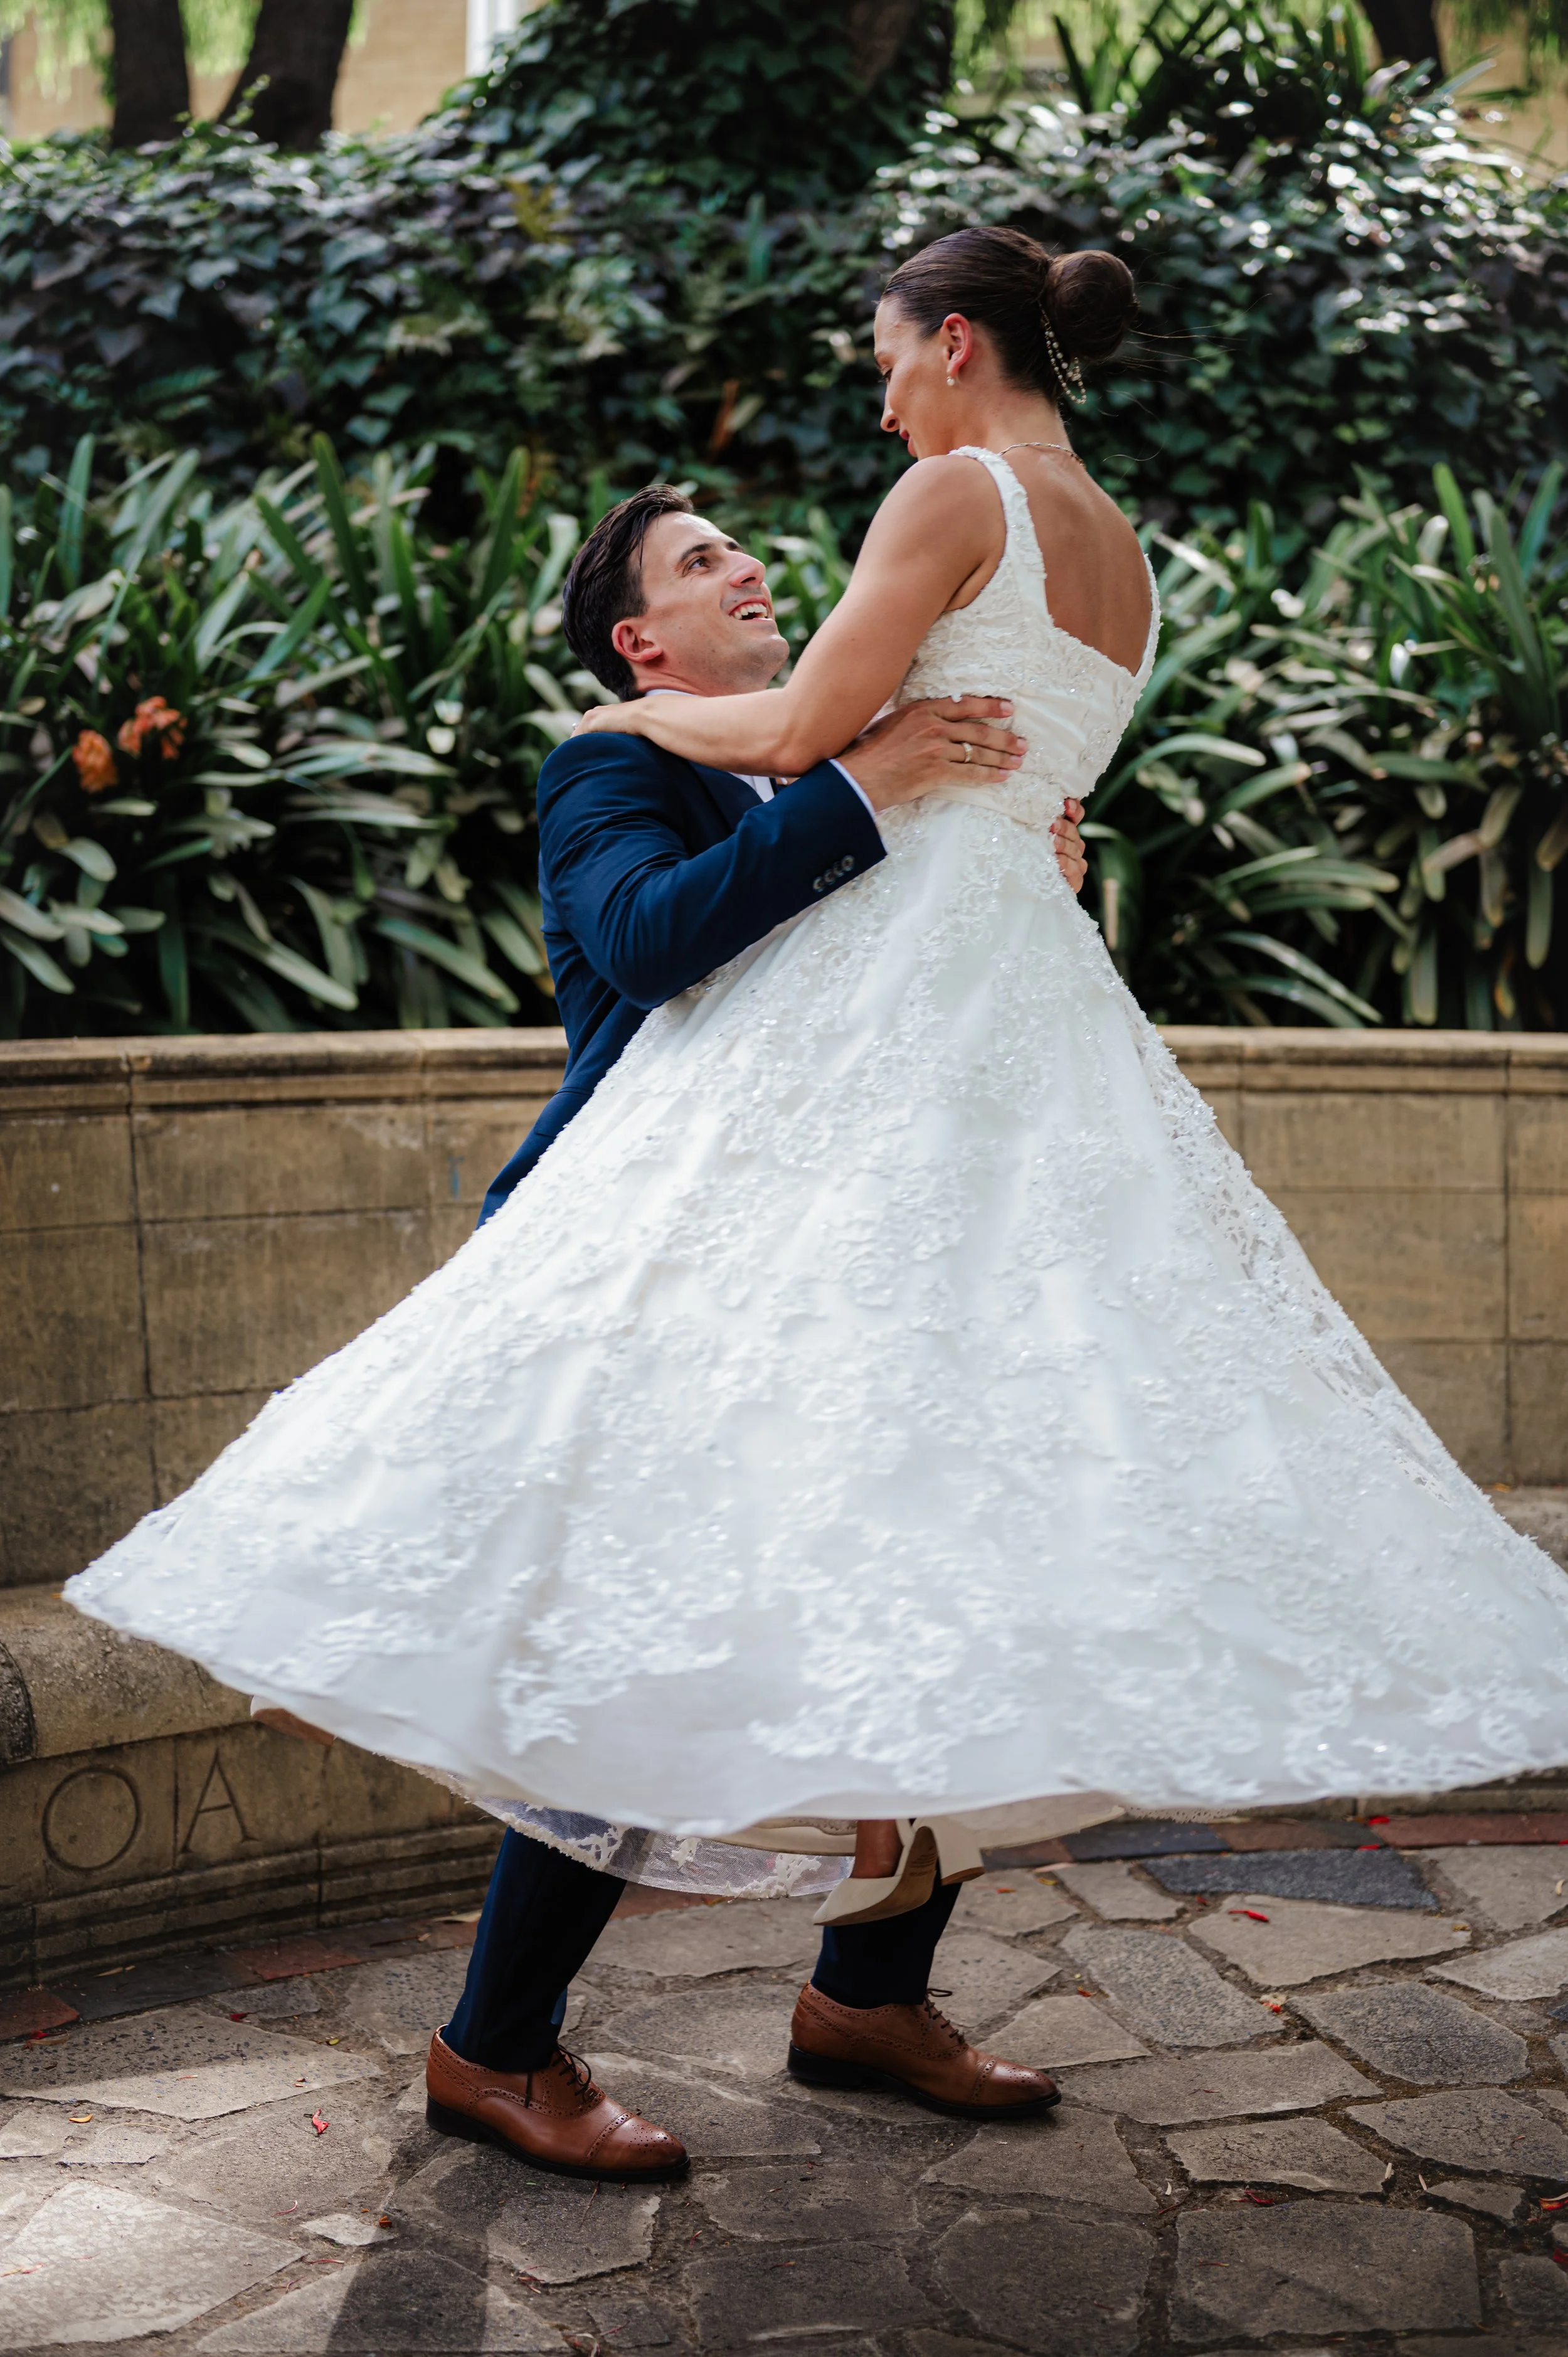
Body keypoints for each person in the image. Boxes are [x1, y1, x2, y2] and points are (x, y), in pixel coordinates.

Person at [69, 226, 1568, 2173]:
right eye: (702, 567)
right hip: (854, 1128)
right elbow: (716, 887)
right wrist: (822, 773)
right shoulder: (1032, 580)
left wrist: (862, 784)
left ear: (952, 344)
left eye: (883, 361)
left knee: (955, 1525)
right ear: (636, 642)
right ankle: (503, 2037)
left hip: (932, 1085)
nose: (866, 415)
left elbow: (813, 765)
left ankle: (861, 1992)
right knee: (729, 1549)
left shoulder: (944, 518)